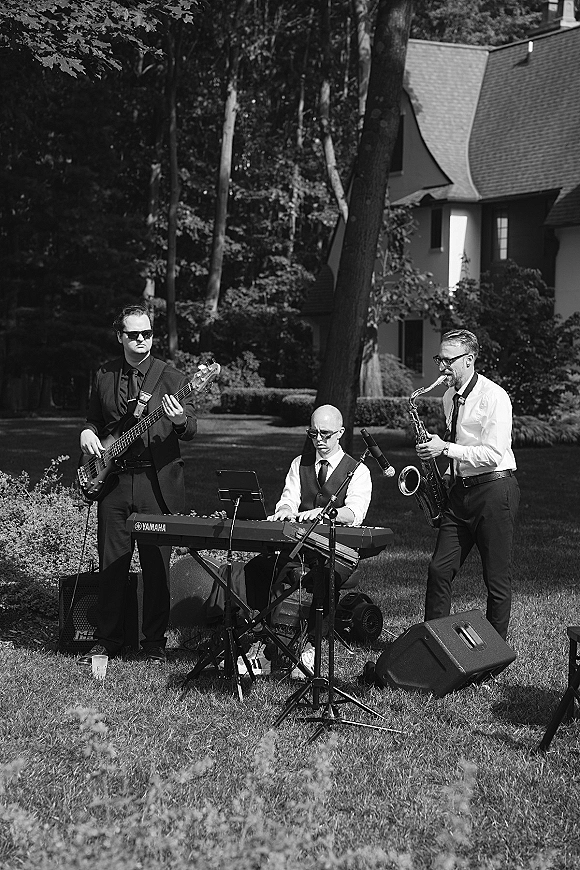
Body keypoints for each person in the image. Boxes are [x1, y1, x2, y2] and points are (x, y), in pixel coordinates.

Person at [78, 303, 198, 664]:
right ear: (120, 337)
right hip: (113, 481)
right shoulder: (104, 374)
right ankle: (108, 639)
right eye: (134, 334)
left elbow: (190, 429)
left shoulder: (173, 378)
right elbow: (94, 420)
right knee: (112, 563)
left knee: (156, 565)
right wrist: (86, 432)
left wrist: (179, 420)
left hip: (154, 481)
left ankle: (154, 643)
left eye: (147, 333)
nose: (142, 339)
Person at [243, 404, 372, 678]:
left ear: (341, 433)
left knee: (324, 577)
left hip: (337, 551)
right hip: (299, 547)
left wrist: (327, 512)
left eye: (326, 433)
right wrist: (285, 510)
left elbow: (355, 513)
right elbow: (288, 500)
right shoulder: (299, 464)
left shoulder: (358, 470)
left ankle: (311, 647)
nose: (319, 440)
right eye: (313, 433)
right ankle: (264, 644)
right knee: (257, 569)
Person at [416, 328, 520, 640]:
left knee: (496, 580)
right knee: (439, 570)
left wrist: (445, 449)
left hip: (495, 491)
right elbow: (462, 444)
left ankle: (495, 655)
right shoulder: (449, 397)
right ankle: (433, 646)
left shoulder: (494, 397)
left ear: (469, 359)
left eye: (448, 360)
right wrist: (448, 471)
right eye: (439, 359)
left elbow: (492, 454)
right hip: (460, 493)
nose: (442, 367)